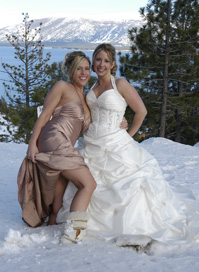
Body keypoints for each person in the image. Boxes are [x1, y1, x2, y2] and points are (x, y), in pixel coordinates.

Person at [57, 43, 199, 250]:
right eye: (98, 59)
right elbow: (87, 116)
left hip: (118, 145)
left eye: (106, 60)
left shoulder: (120, 84)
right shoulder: (91, 88)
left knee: (130, 186)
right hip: (92, 144)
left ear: (113, 64)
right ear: (93, 61)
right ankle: (75, 224)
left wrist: (127, 134)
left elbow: (141, 111)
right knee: (87, 182)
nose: (101, 64)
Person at [17, 51, 97, 243]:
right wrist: (32, 144)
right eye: (79, 68)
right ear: (70, 70)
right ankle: (74, 231)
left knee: (58, 201)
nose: (84, 72)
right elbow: (45, 116)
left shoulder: (86, 97)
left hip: (66, 144)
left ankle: (52, 224)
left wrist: (121, 121)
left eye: (86, 68)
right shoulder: (62, 87)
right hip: (53, 137)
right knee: (88, 184)